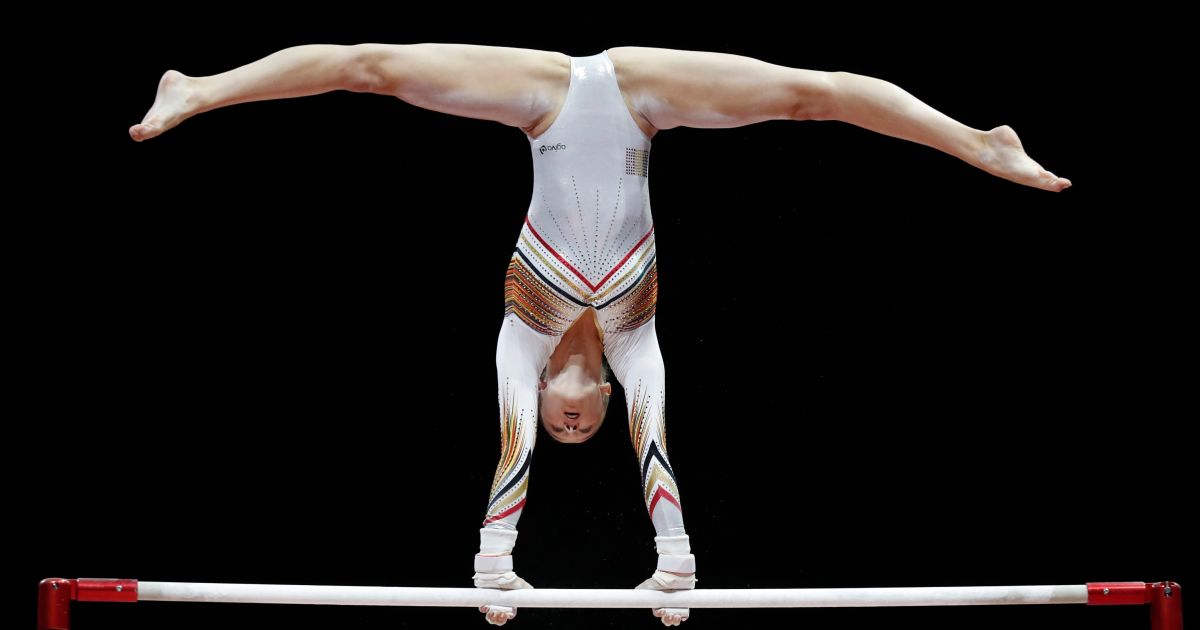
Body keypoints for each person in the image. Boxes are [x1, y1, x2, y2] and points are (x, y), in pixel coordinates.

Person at [130, 43, 1070, 627]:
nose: (571, 425)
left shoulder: (519, 343)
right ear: (604, 401)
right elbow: (656, 447)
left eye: (563, 428)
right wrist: (676, 564)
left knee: (369, 69)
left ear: (546, 400)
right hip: (639, 98)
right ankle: (977, 142)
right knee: (805, 95)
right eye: (587, 430)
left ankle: (199, 87)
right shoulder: (636, 349)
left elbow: (510, 448)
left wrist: (492, 566)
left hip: (542, 99)